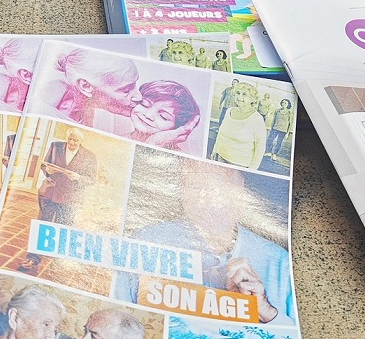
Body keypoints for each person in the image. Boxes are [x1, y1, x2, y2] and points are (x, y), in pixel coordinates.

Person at [113, 159, 294, 325]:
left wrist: (265, 310)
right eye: (195, 186)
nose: (207, 198)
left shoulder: (280, 264)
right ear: (182, 192)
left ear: (241, 189)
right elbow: (117, 319)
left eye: (220, 185)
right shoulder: (146, 242)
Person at [18, 127, 97, 273]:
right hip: (50, 192)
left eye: (75, 140)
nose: (71, 142)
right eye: (70, 139)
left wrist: (78, 177)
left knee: (63, 228)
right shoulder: (56, 146)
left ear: (81, 141)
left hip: (70, 198)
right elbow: (44, 164)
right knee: (43, 224)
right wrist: (47, 170)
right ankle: (33, 258)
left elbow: (92, 179)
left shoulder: (90, 156)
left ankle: (58, 261)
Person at [51, 48, 139, 133]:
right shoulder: (50, 115)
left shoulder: (85, 107)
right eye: (126, 90)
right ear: (86, 86)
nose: (139, 97)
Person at [127, 80, 200, 149]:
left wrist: (154, 142)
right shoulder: (124, 138)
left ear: (177, 128)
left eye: (163, 117)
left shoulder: (177, 154)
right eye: (144, 104)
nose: (148, 115)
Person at [211, 80, 266, 170]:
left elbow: (260, 146)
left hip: (240, 165)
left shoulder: (257, 119)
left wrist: (252, 169)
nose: (239, 97)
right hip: (220, 158)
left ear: (252, 99)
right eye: (238, 93)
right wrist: (215, 150)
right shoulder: (229, 111)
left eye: (244, 94)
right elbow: (220, 133)